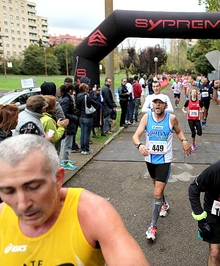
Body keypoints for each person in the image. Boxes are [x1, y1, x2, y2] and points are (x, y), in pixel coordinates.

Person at [0, 134, 150, 265]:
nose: (22, 204)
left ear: (58, 179)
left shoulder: (93, 211)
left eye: (33, 187)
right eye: (8, 191)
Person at [132, 94, 191, 242]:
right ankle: (163, 203)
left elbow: (178, 131)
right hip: (150, 159)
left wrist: (184, 140)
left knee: (157, 192)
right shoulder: (146, 118)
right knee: (156, 188)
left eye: (161, 103)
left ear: (165, 105)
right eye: (155, 103)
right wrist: (140, 145)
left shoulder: (171, 119)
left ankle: (153, 226)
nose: (158, 105)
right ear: (152, 105)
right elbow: (135, 136)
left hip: (164, 160)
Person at [58, 83, 79, 171]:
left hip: (67, 122)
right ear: (70, 90)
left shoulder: (63, 98)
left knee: (65, 143)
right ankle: (65, 161)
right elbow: (65, 113)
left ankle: (65, 159)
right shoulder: (67, 100)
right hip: (68, 123)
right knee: (67, 143)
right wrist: (74, 118)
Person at [76, 83, 97, 155]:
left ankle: (82, 148)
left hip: (81, 116)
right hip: (87, 116)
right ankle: (86, 149)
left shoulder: (78, 96)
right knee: (87, 134)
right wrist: (93, 93)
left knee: (82, 133)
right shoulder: (86, 97)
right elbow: (94, 102)